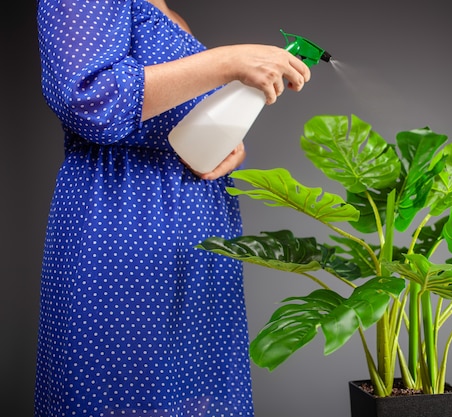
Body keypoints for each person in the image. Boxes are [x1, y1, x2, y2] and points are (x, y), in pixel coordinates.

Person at [34, 1, 311, 416]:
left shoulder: (167, 10)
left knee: (195, 399)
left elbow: (163, 112)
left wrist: (224, 144)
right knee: (119, 395)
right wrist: (228, 61)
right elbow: (89, 101)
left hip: (198, 233)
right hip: (126, 220)